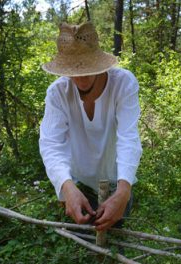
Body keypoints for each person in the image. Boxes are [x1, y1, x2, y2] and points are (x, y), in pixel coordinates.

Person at [39, 22, 142, 231]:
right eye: (73, 70)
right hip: (76, 181)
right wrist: (67, 187)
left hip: (117, 180)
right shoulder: (57, 93)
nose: (80, 78)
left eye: (86, 68)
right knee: (82, 245)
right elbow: (51, 143)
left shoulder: (123, 84)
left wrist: (123, 192)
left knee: (115, 238)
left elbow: (128, 137)